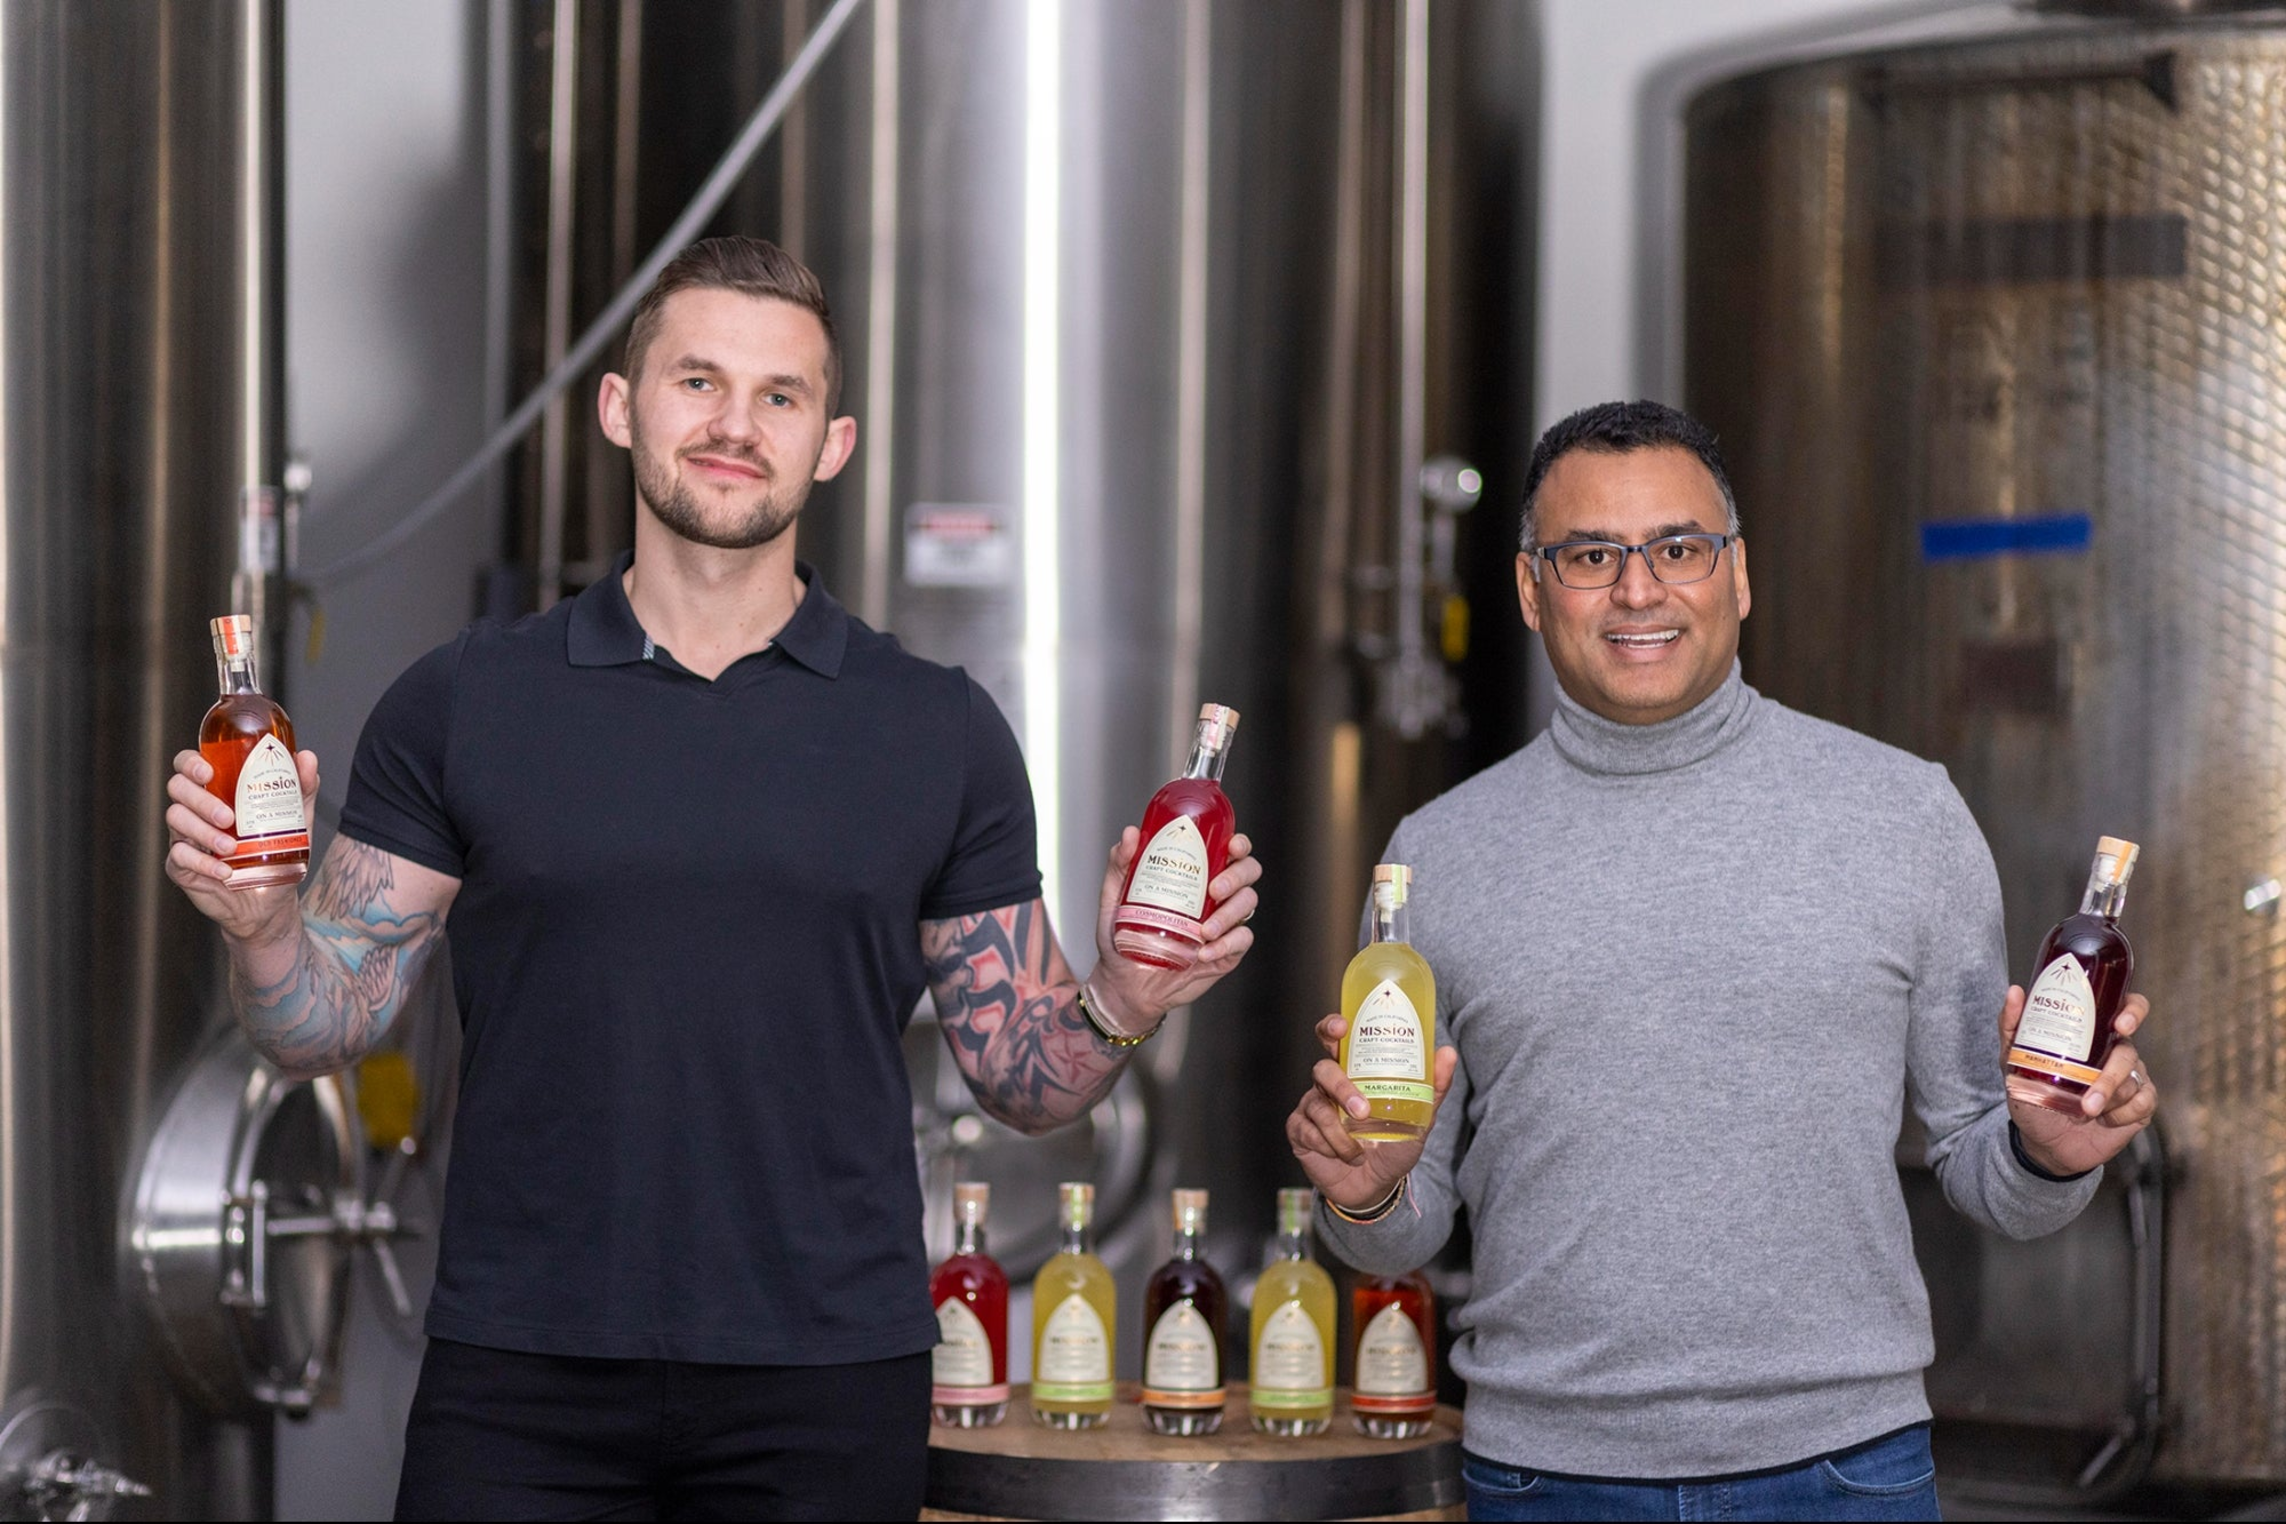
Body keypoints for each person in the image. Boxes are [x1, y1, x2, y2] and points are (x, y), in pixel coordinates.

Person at [165, 236, 1261, 1521]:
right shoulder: (467, 702)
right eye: (698, 382)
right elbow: (322, 1024)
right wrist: (263, 929)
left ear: (831, 446)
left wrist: (1124, 996)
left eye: (779, 396)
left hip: (825, 1383)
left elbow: (1023, 1081)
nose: (736, 425)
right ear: (620, 409)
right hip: (522, 1377)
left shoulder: (936, 728)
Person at [1284, 400, 2157, 1523]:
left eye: (1679, 549)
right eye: (1590, 556)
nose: (1638, 591)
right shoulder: (1435, 858)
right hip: (1547, 1477)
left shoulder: (1904, 817)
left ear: (1737, 575)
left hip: (1844, 1472)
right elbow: (1402, 1224)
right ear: (1531, 590)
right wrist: (1365, 1200)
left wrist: (2049, 1158)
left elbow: (1989, 1173)